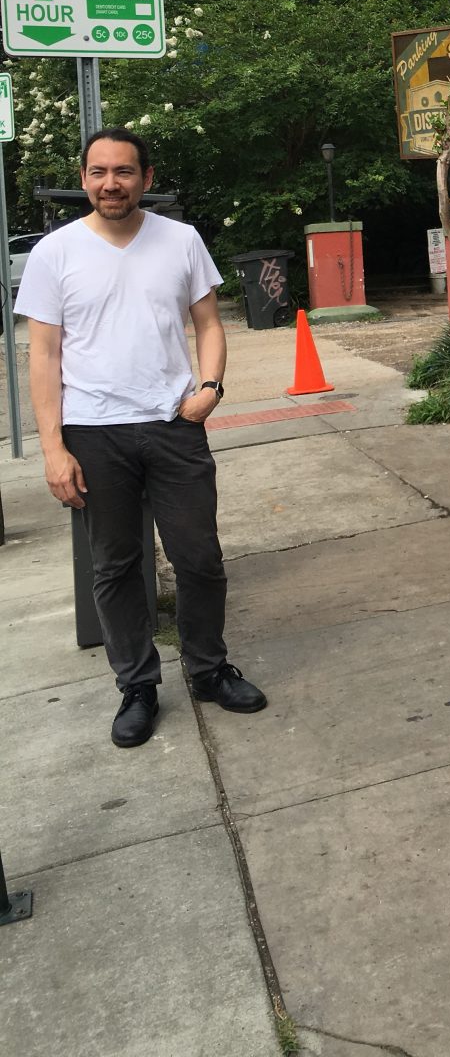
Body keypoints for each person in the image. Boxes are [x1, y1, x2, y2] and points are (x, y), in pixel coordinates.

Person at [18, 128, 266, 747]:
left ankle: (208, 670)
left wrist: (209, 387)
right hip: (93, 432)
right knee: (117, 566)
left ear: (145, 179)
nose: (111, 183)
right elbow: (42, 355)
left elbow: (208, 323)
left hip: (172, 424)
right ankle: (138, 686)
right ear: (84, 179)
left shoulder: (180, 240)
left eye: (124, 172)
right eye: (99, 172)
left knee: (200, 559)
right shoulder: (56, 252)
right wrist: (53, 447)